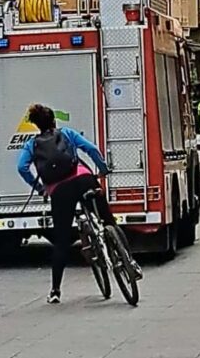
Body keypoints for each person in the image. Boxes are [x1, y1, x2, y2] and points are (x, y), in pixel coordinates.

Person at [17, 103, 140, 304]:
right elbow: (90, 149)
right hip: (84, 181)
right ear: (54, 121)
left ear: (37, 125)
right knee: (109, 221)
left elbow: (21, 167)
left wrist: (40, 188)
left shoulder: (32, 145)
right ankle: (130, 262)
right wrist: (103, 169)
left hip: (60, 192)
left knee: (62, 241)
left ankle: (55, 290)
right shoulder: (67, 133)